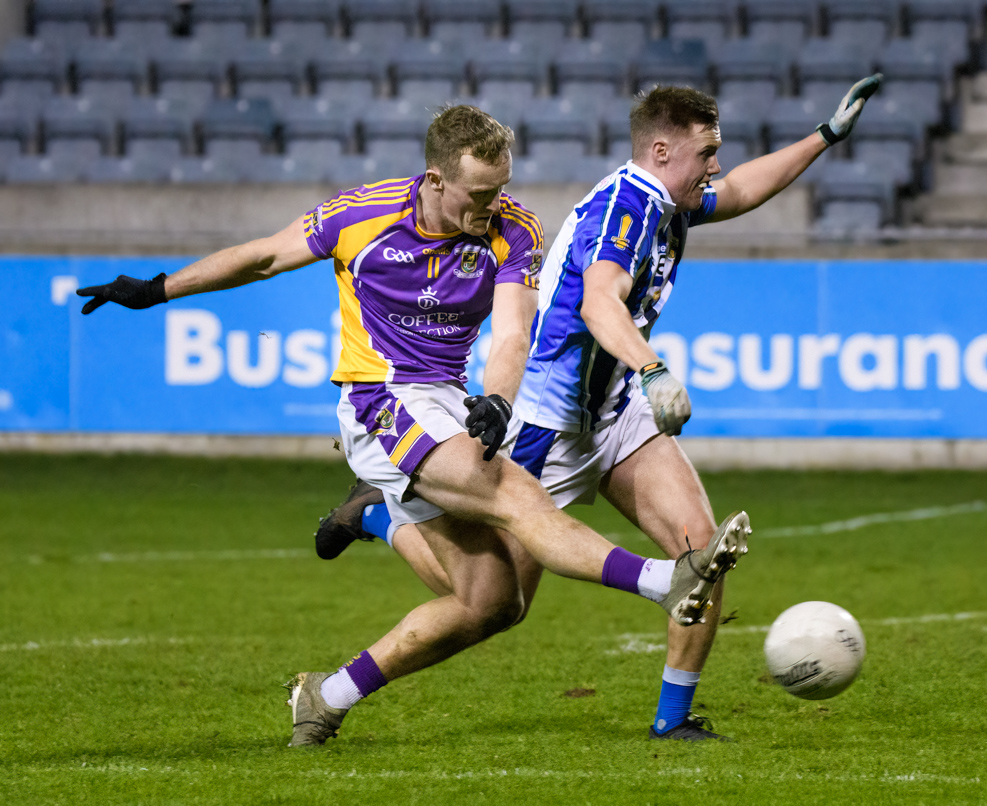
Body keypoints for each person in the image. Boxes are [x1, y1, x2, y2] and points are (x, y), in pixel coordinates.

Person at [76, 104, 752, 748]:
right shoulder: (361, 215)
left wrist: (496, 397)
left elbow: (515, 328)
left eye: (499, 191)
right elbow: (260, 257)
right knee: (518, 499)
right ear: (435, 179)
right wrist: (158, 290)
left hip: (450, 402)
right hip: (380, 400)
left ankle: (327, 693)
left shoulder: (513, 227)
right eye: (477, 194)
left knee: (492, 604)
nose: (487, 208)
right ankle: (667, 581)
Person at [317, 77, 882, 741]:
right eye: (707, 152)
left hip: (610, 415)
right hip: (544, 427)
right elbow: (598, 304)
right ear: (664, 150)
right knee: (490, 605)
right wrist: (652, 367)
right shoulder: (622, 210)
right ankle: (380, 518)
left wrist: (824, 137)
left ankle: (672, 722)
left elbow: (740, 192)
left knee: (700, 548)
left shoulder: (670, 199)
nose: (716, 165)